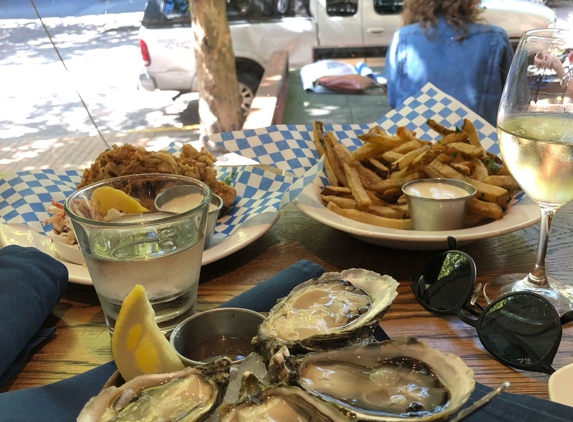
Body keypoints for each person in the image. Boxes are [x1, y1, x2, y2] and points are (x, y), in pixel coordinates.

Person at [384, 0, 514, 126]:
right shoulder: (495, 37)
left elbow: (393, 98)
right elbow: (513, 99)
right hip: (481, 141)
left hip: (415, 138)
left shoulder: (403, 37)